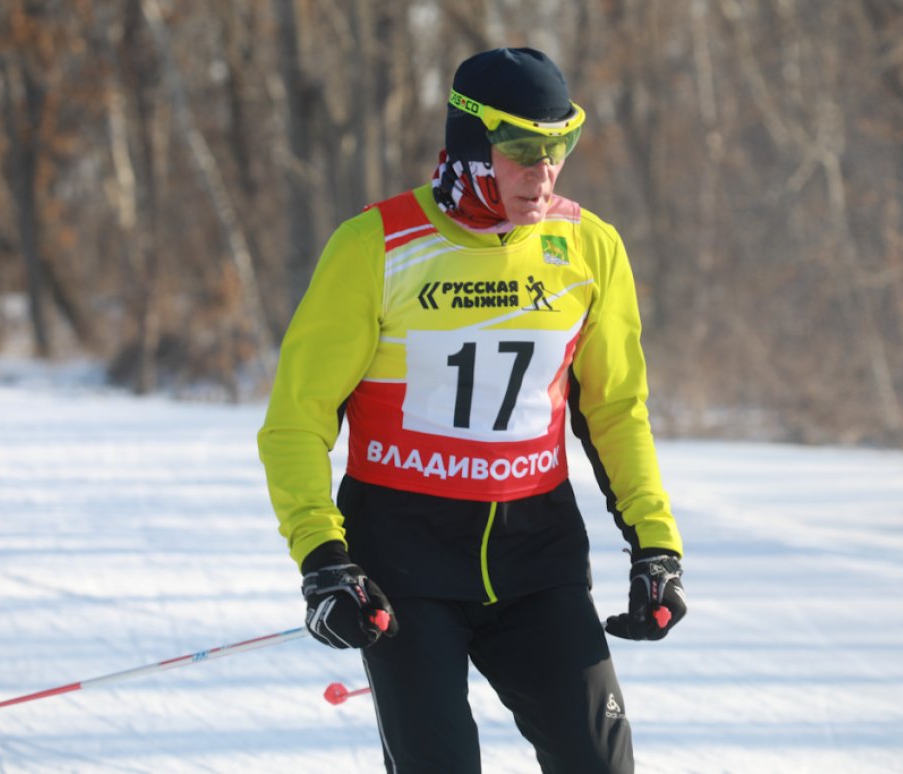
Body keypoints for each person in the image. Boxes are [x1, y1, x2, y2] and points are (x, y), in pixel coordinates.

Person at [258, 47, 686, 774]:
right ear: (471, 144)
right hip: (404, 561)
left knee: (600, 764)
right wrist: (323, 559)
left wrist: (657, 545)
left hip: (534, 556)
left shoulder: (590, 249)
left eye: (560, 148)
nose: (543, 172)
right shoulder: (376, 247)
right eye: (522, 150)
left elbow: (616, 410)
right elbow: (296, 420)